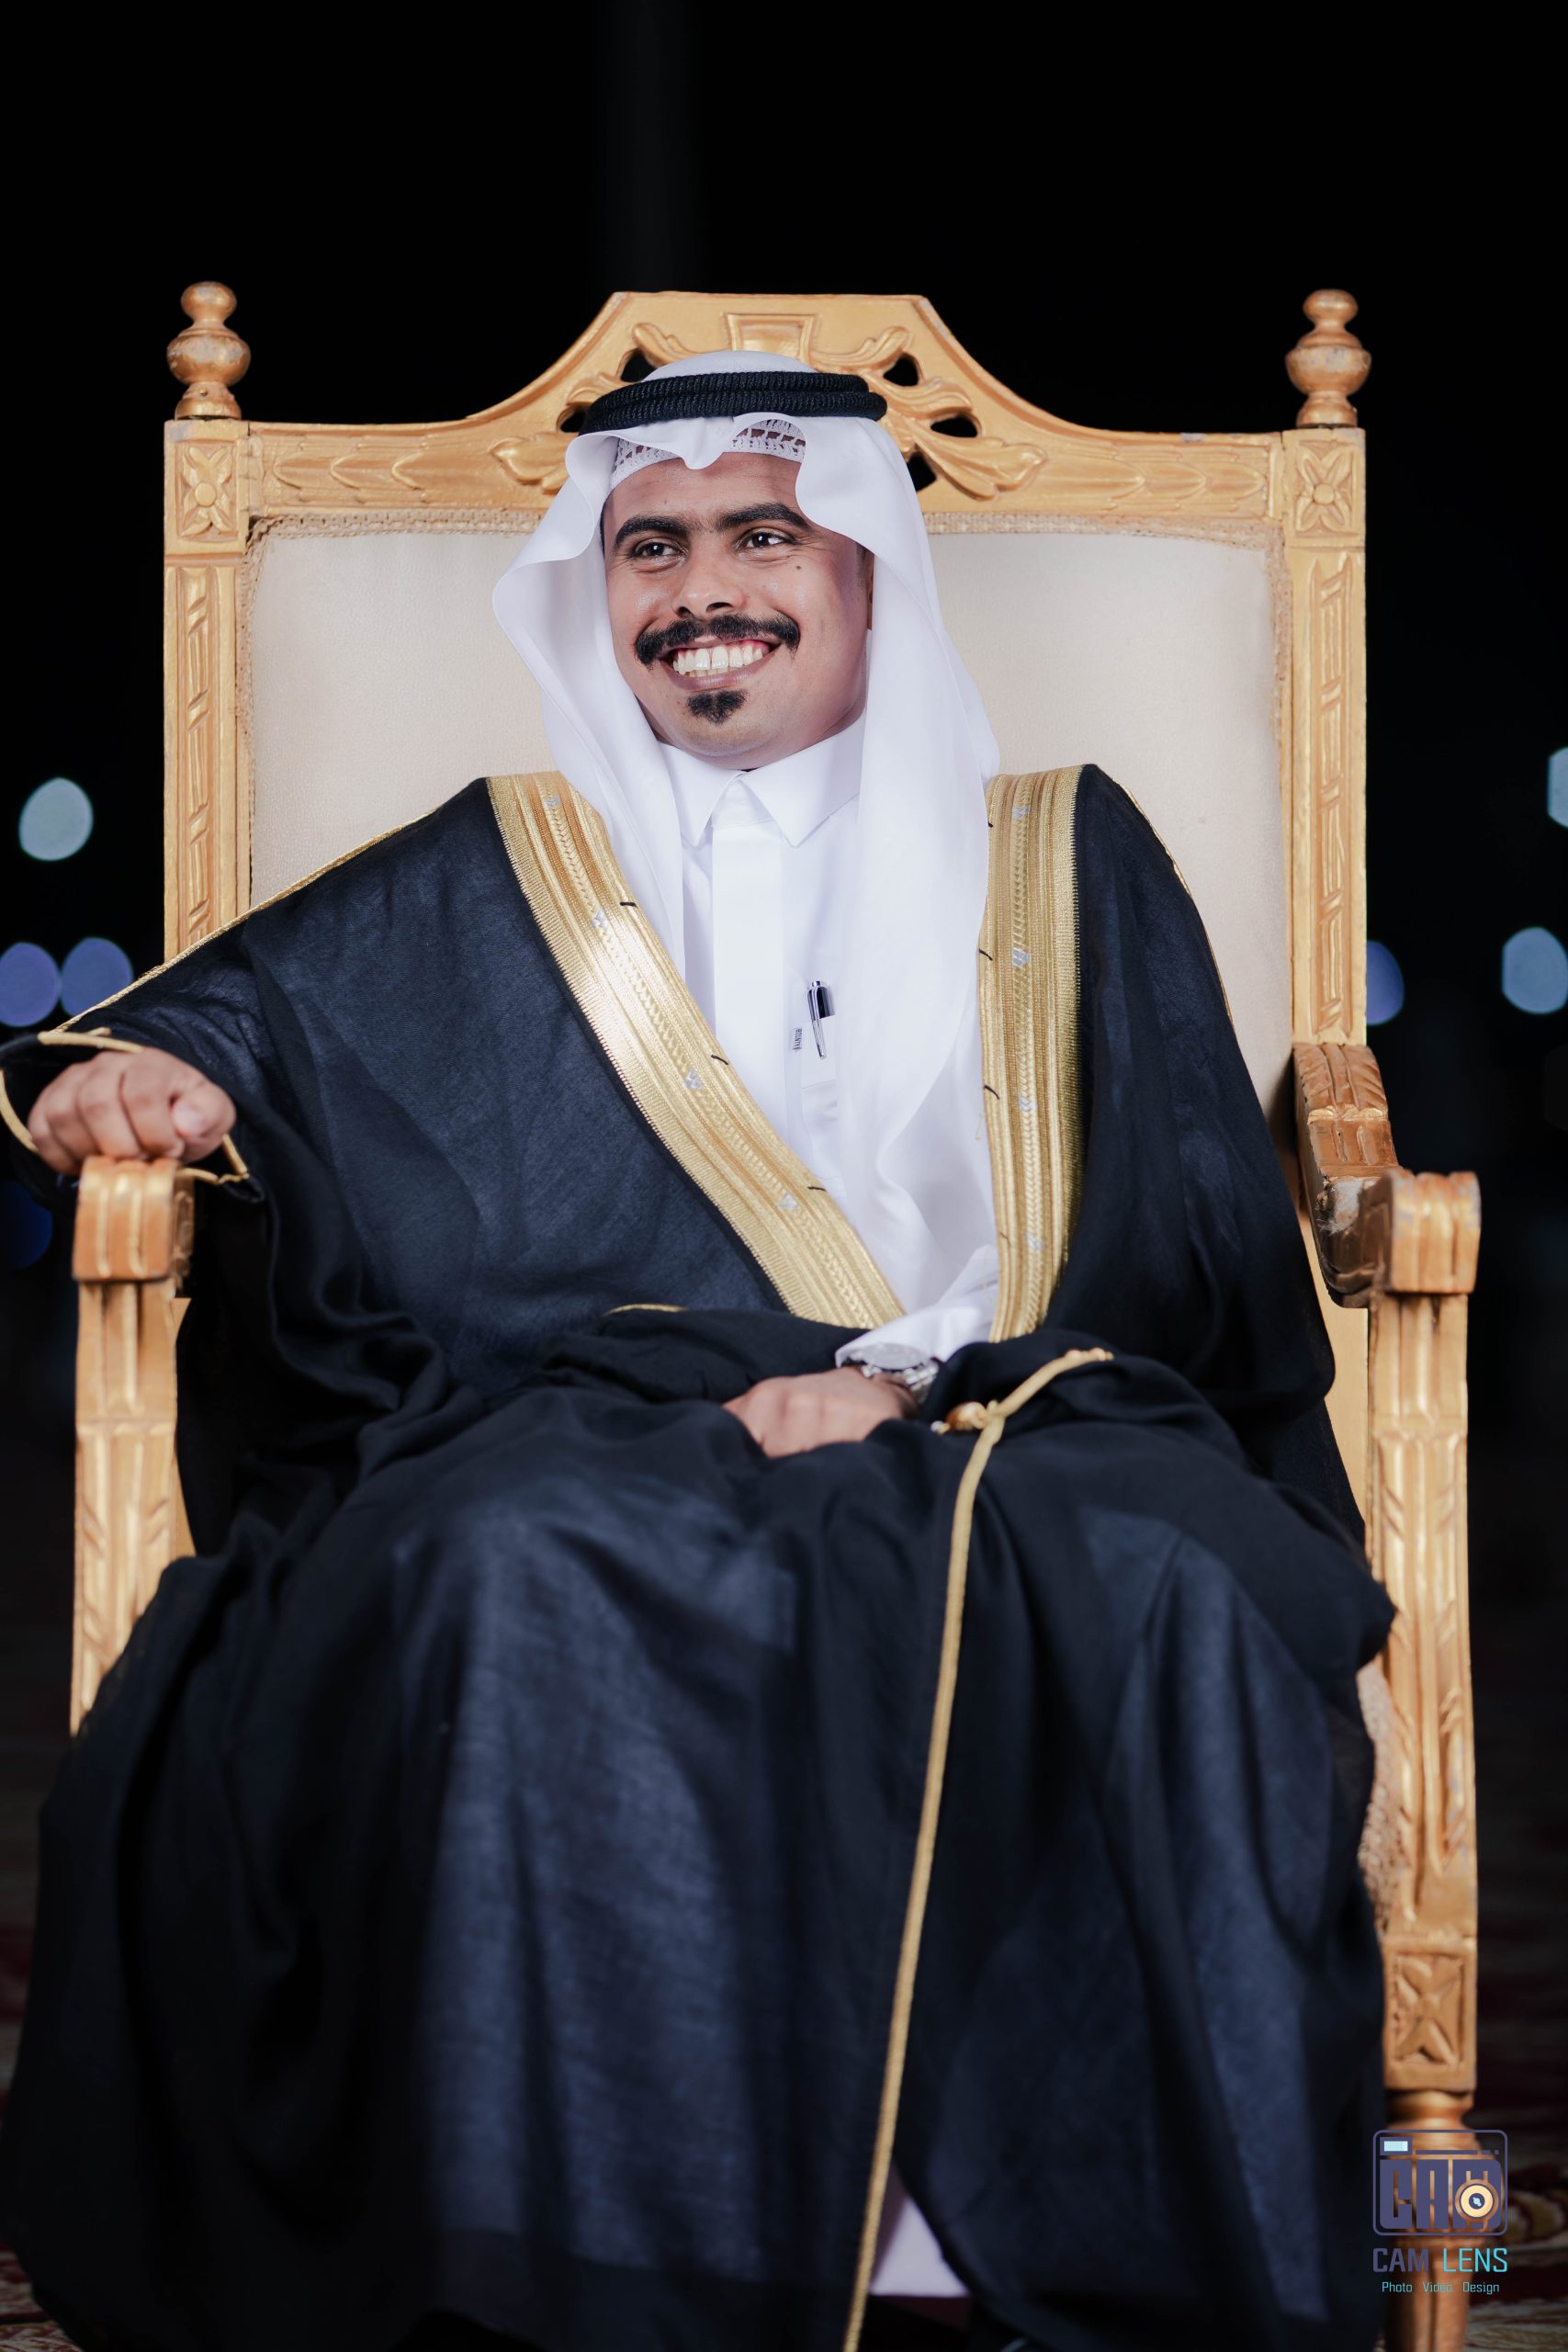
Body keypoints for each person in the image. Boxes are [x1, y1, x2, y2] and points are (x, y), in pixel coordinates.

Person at [0, 353, 1393, 2352]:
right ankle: (577, 2250)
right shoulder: (508, 863)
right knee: (503, 1567)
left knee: (1160, 1581)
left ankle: (1032, 2240)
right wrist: (139, 1085)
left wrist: (903, 1386)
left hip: (1020, 1411)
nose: (701, 589)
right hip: (604, 1421)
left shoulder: (1066, 852)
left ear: (863, 569)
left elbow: (1180, 1225)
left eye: (762, 535)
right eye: (649, 547)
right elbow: (233, 1024)